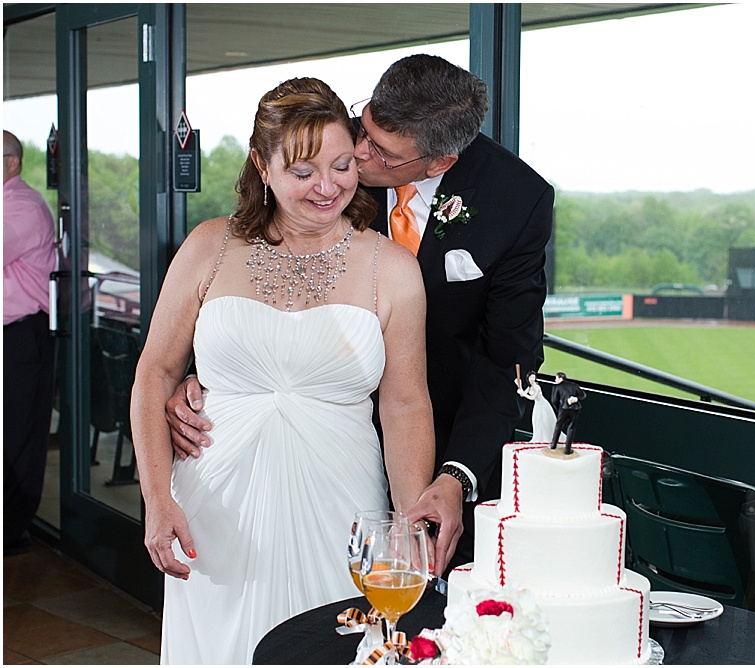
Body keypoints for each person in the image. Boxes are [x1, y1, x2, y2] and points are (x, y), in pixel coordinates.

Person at [166, 54, 554, 573]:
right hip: (272, 443)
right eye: (363, 127)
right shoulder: (335, 152)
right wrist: (213, 374)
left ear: (438, 162)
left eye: (381, 153)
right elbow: (258, 261)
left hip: (431, 437)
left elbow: (507, 359)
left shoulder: (517, 201)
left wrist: (455, 477)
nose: (357, 155)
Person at [129, 77, 436, 664]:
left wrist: (406, 532)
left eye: (343, 165)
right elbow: (154, 376)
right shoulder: (207, 246)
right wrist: (157, 500)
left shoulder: (392, 270)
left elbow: (404, 406)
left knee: (332, 644)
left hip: (341, 507)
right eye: (303, 172)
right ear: (261, 168)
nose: (328, 187)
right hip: (213, 508)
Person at [4, 130, 57, 555]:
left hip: (21, 334)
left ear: (11, 163)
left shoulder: (20, 207)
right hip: (13, 332)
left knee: (18, 432)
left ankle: (12, 532)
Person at [515, 370, 558, 443]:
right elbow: (522, 394)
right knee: (536, 421)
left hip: (543, 405)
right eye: (530, 377)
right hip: (537, 405)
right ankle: (539, 436)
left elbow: (532, 398)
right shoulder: (529, 387)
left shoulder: (537, 387)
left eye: (533, 377)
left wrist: (523, 393)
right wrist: (519, 386)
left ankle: (547, 438)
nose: (532, 379)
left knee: (545, 421)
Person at [549, 372, 586, 455]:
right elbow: (583, 395)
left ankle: (553, 445)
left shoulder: (557, 386)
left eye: (556, 378)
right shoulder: (574, 385)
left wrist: (559, 408)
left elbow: (554, 400)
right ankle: (567, 449)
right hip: (575, 409)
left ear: (560, 378)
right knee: (571, 428)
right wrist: (576, 399)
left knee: (558, 426)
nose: (555, 380)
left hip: (563, 409)